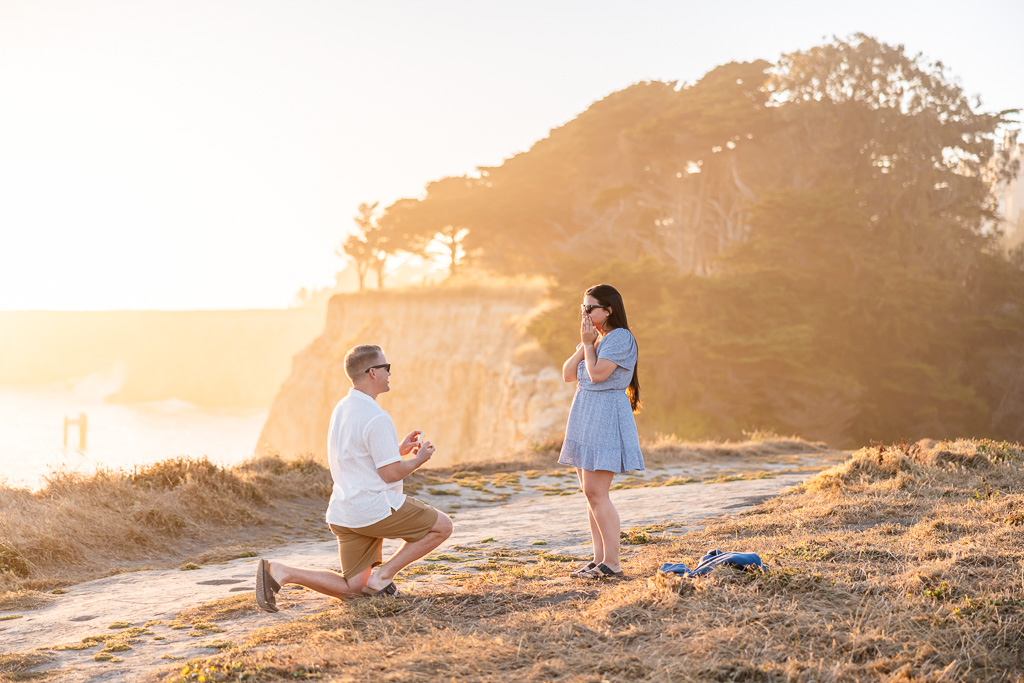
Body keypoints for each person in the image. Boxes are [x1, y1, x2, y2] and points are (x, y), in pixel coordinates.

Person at [255, 344, 453, 611]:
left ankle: (280, 572)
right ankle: (383, 577)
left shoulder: (343, 408)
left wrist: (396, 450)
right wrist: (418, 459)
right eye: (387, 368)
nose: (389, 373)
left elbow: (357, 458)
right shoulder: (376, 417)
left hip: (344, 512)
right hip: (373, 510)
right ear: (373, 372)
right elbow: (391, 473)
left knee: (354, 590)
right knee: (442, 526)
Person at [558, 284, 643, 579]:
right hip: (585, 414)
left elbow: (596, 375)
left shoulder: (620, 338)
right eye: (583, 307)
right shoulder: (596, 338)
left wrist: (589, 345)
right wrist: (584, 344)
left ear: (608, 310)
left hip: (606, 415)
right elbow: (569, 374)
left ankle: (613, 562)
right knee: (590, 494)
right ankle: (598, 560)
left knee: (597, 492)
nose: (585, 313)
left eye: (590, 308)